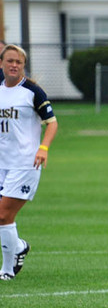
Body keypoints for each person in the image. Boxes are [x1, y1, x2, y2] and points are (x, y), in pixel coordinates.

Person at [0, 44, 58, 281]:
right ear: (2, 63)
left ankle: (6, 268)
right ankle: (20, 247)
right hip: (2, 164)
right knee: (2, 217)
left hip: (25, 164)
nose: (14, 65)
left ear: (24, 65)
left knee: (3, 215)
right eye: (10, 61)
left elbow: (52, 123)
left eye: (19, 62)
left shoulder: (33, 92)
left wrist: (43, 148)